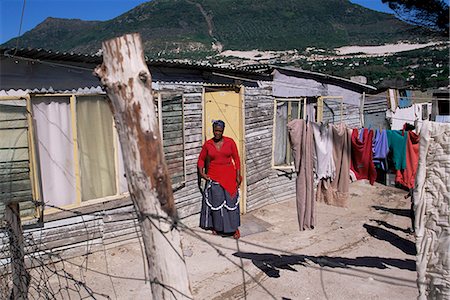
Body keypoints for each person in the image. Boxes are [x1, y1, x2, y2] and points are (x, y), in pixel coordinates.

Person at [197, 120, 241, 239]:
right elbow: (201, 159)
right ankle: (217, 227)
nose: (217, 133)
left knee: (231, 203)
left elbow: (236, 159)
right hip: (214, 176)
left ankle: (234, 228)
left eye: (220, 131)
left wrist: (238, 175)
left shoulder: (230, 142)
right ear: (213, 130)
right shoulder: (208, 144)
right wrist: (202, 173)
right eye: (215, 130)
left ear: (223, 131)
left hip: (229, 176)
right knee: (216, 203)